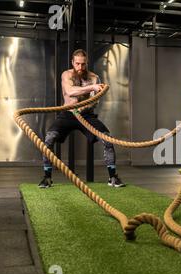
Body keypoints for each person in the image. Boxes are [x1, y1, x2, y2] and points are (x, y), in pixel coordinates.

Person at [38, 49, 125, 188]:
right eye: (77, 64)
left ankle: (113, 177)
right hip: (67, 114)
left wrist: (89, 100)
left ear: (87, 63)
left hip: (86, 115)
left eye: (83, 64)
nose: (80, 67)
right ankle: (47, 178)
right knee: (48, 139)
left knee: (108, 139)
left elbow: (95, 100)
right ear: (72, 62)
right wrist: (92, 87)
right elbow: (70, 91)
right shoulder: (66, 75)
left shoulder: (94, 77)